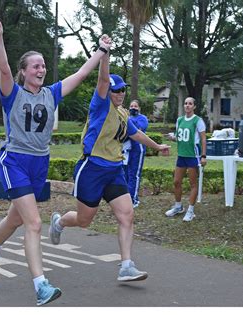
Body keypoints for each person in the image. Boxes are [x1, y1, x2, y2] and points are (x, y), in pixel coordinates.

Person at [0, 18, 111, 306]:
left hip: (40, 162)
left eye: (43, 65)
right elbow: (3, 68)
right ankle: (41, 286)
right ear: (23, 72)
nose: (41, 69)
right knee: (34, 223)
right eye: (35, 66)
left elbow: (82, 72)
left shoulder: (52, 94)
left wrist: (101, 50)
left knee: (16, 218)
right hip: (15, 160)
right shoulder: (13, 94)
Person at [48, 51, 170, 281]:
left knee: (127, 215)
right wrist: (104, 54)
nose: (120, 93)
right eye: (116, 90)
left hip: (114, 170)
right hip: (92, 168)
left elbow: (136, 134)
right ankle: (60, 221)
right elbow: (103, 80)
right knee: (84, 221)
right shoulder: (100, 105)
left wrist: (157, 146)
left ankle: (126, 265)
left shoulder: (123, 114)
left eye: (123, 89)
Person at [165, 97, 207, 222]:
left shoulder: (198, 121)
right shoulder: (179, 120)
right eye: (185, 103)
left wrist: (203, 156)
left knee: (193, 183)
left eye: (190, 104)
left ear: (194, 106)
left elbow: (203, 139)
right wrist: (173, 138)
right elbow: (179, 137)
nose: (187, 106)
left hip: (193, 156)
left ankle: (191, 210)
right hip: (181, 155)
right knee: (176, 182)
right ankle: (178, 207)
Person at [126, 99, 149, 207]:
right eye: (131, 106)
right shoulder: (127, 117)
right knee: (126, 174)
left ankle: (133, 199)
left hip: (138, 148)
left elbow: (138, 129)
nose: (133, 108)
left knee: (135, 174)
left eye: (135, 106)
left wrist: (128, 121)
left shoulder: (142, 118)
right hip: (127, 149)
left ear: (139, 108)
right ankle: (126, 198)